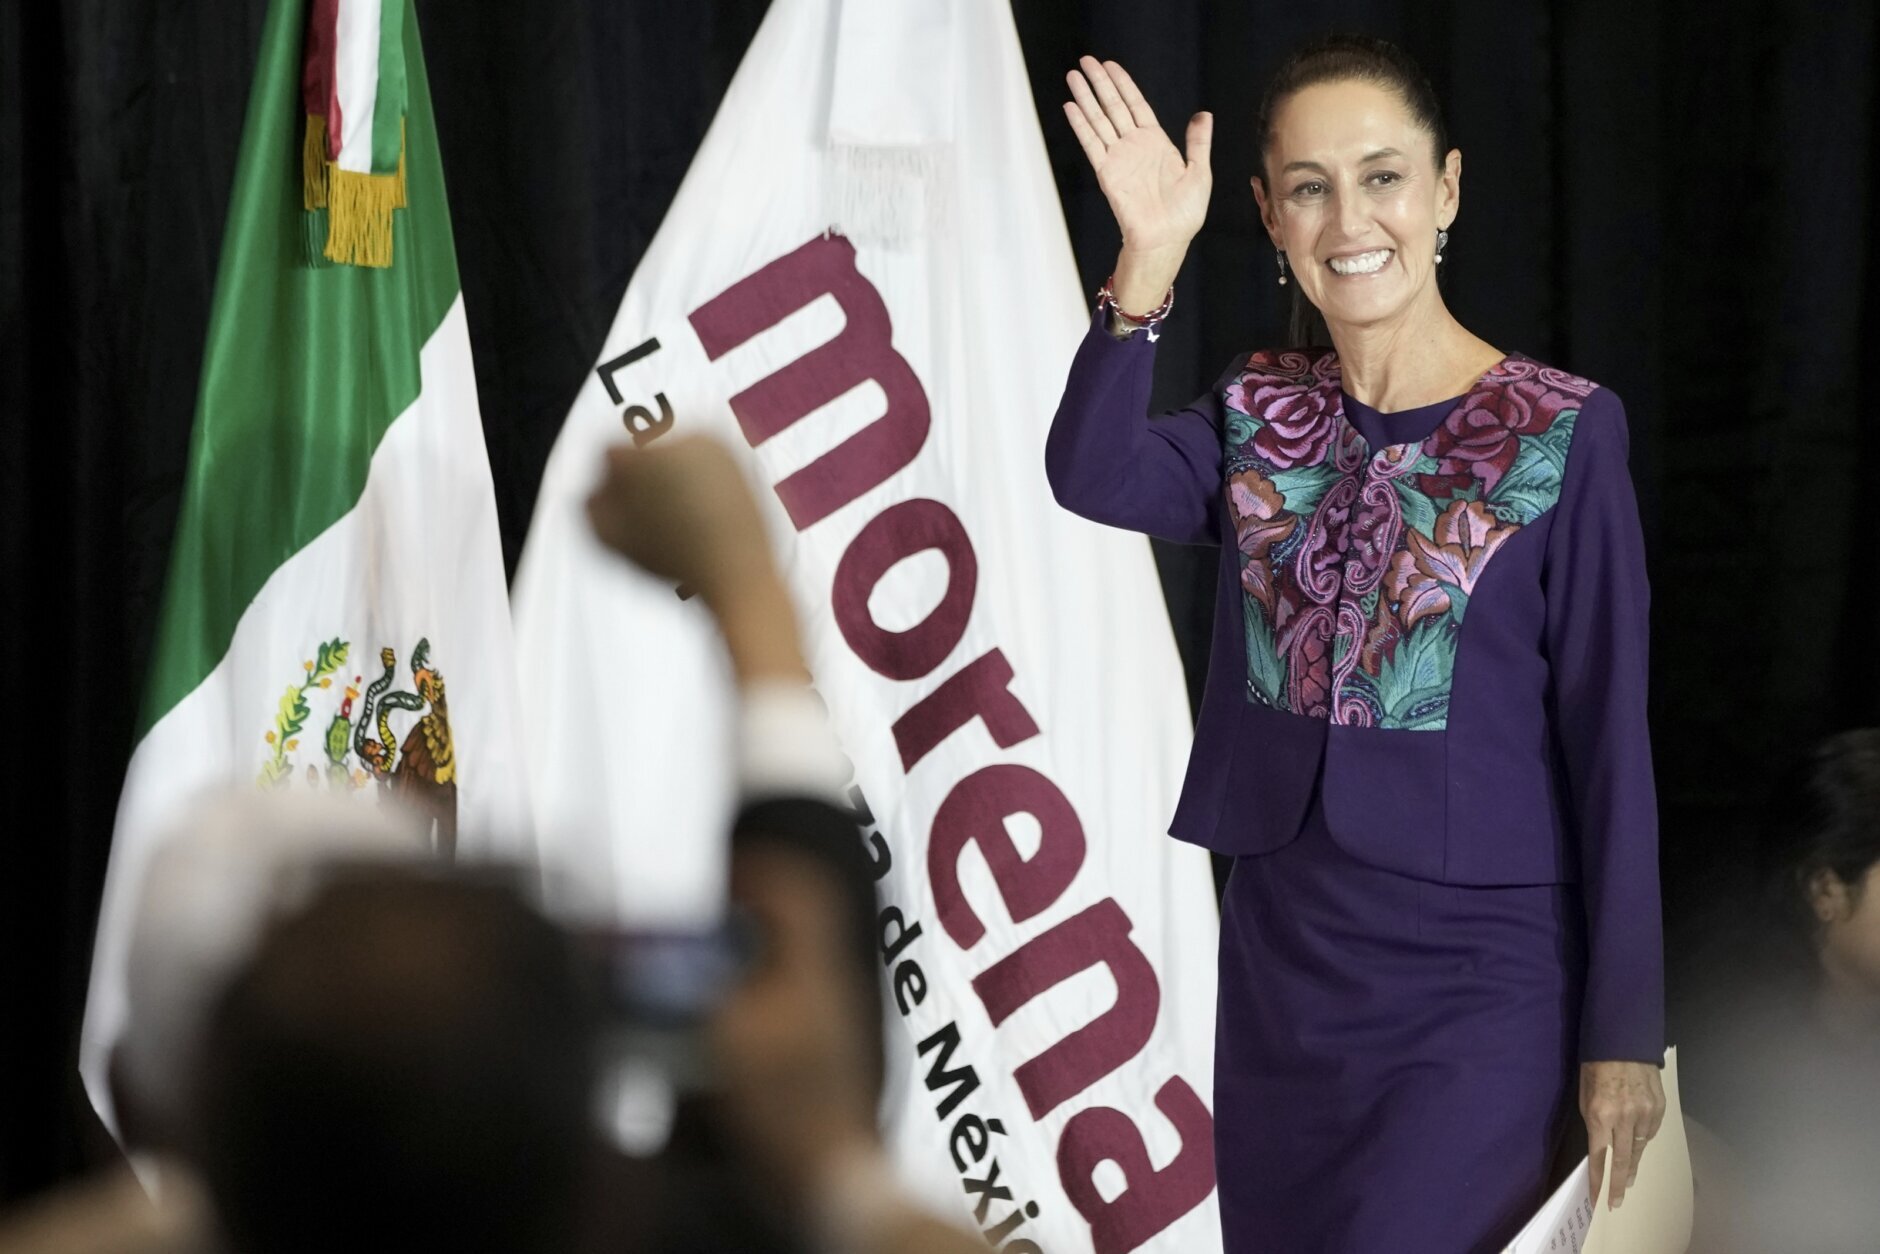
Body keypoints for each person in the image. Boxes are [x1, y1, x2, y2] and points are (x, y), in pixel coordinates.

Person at [1047, 35, 1665, 1252]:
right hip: (1282, 965)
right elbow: (1091, 470)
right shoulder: (1255, 409)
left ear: (1444, 190)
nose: (1348, 220)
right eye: (1308, 187)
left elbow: (1610, 749)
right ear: (1267, 213)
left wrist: (1622, 1034)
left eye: (1381, 177)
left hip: (1481, 985)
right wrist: (1146, 262)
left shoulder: (1563, 431)